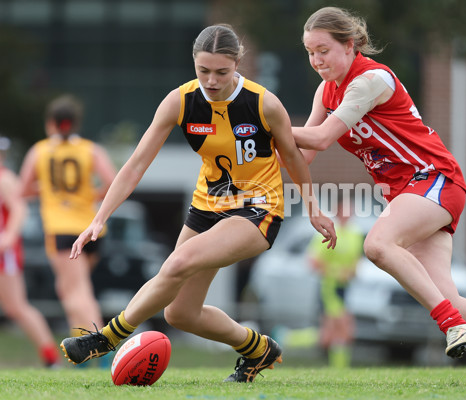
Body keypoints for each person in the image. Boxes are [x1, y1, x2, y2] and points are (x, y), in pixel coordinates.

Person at [291, 6, 466, 385]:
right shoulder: (326, 90)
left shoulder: (370, 79)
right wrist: (253, 155)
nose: (316, 60)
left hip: (434, 179)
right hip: (411, 192)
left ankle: (452, 327)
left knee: (377, 245)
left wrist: (263, 121)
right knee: (450, 299)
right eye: (309, 52)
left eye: (323, 50)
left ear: (349, 46)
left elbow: (319, 137)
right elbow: (305, 154)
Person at [59, 24, 336, 383]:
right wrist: (100, 217)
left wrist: (313, 207)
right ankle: (258, 349)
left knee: (178, 262)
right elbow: (136, 164)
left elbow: (296, 159)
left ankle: (106, 338)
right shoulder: (180, 101)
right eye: (203, 70)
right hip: (206, 208)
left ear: (237, 64)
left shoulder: (263, 103)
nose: (211, 80)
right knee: (181, 314)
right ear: (194, 64)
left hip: (258, 209)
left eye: (221, 72)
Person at [19, 95, 117, 346]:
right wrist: (90, 195)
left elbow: (24, 190)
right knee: (68, 289)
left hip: (62, 230)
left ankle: (101, 348)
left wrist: (50, 191)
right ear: (75, 123)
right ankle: (80, 352)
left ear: (51, 123)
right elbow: (113, 182)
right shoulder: (90, 149)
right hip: (92, 229)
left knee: (78, 293)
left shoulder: (40, 151)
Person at [0, 136, 60, 368]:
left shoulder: (5, 178)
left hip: (5, 253)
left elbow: (19, 210)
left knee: (16, 307)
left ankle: (51, 357)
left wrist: (9, 237)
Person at [307, 198, 363, 368]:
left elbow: (355, 265)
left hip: (345, 288)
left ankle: (284, 338)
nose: (347, 213)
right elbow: (313, 262)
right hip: (329, 288)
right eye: (343, 209)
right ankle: (340, 369)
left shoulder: (355, 234)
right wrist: (336, 272)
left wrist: (350, 272)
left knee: (330, 335)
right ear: (336, 210)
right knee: (343, 329)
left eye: (349, 209)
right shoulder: (327, 231)